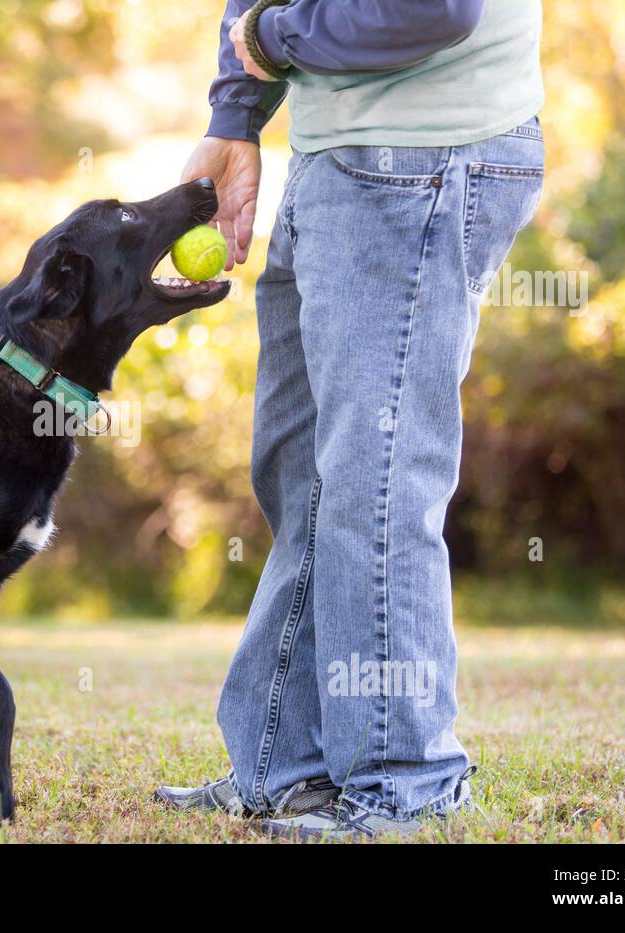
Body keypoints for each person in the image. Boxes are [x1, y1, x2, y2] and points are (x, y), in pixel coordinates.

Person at [155, 0, 545, 839]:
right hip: (336, 160)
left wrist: (272, 41)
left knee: (376, 482)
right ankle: (283, 765)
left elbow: (437, 9)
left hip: (422, 156)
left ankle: (407, 782)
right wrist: (236, 114)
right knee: (305, 478)